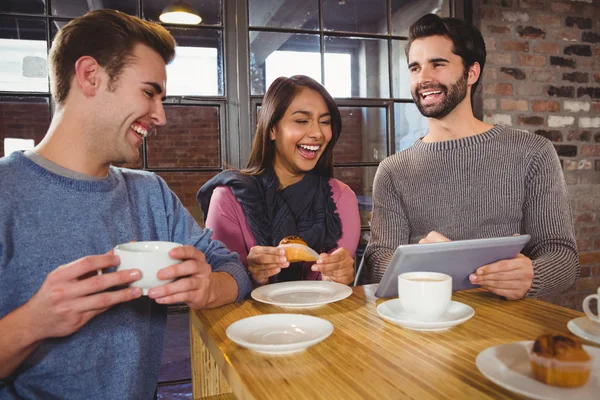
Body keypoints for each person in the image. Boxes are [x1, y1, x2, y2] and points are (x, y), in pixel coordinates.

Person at [0, 9, 251, 400]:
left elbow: (233, 268)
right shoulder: (5, 193)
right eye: (149, 92)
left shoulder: (151, 194)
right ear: (90, 76)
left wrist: (209, 288)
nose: (161, 116)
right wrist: (34, 322)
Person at [363, 14, 579, 300]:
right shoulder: (393, 170)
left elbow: (562, 255)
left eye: (438, 64)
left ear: (472, 73)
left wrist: (533, 275)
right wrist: (420, 262)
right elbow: (378, 261)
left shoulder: (532, 152)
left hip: (508, 328)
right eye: (415, 68)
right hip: (424, 324)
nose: (423, 78)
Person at [197, 75, 360, 286]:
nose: (317, 133)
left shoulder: (340, 198)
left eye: (325, 122)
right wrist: (248, 274)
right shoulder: (229, 198)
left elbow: (331, 289)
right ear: (272, 129)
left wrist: (340, 275)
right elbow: (216, 285)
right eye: (301, 121)